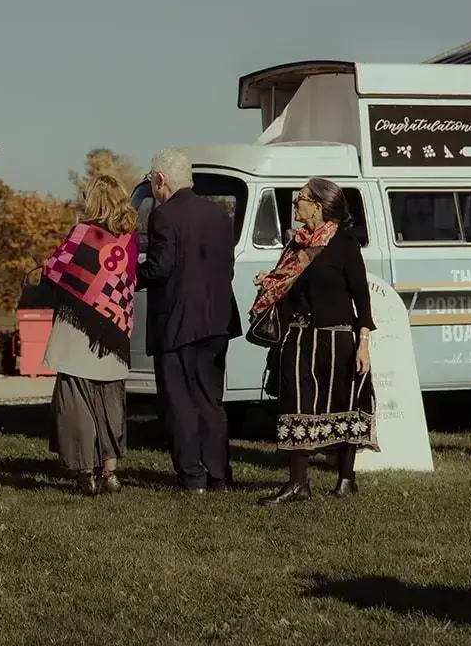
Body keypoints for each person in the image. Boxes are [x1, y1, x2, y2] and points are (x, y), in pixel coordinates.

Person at [250, 177, 378, 505]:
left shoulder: (343, 244)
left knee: (344, 406)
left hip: (336, 340)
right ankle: (298, 483)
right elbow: (289, 286)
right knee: (295, 405)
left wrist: (363, 342)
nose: (296, 204)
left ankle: (346, 479)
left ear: (318, 206)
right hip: (297, 337)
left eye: (301, 199)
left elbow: (361, 298)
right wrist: (271, 284)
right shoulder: (295, 246)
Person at [136, 149, 242, 493]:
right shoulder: (220, 214)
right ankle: (219, 476)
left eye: (153, 179)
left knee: (179, 403)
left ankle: (192, 477)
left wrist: (129, 275)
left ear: (161, 180)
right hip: (216, 321)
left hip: (176, 323)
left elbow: (160, 267)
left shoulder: (163, 215)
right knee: (210, 402)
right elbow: (227, 268)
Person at [34, 173, 141, 496]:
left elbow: (54, 270)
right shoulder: (130, 239)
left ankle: (85, 473)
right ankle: (110, 472)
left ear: (93, 200)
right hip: (114, 329)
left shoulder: (83, 233)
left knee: (76, 400)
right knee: (111, 401)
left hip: (77, 330)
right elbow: (129, 280)